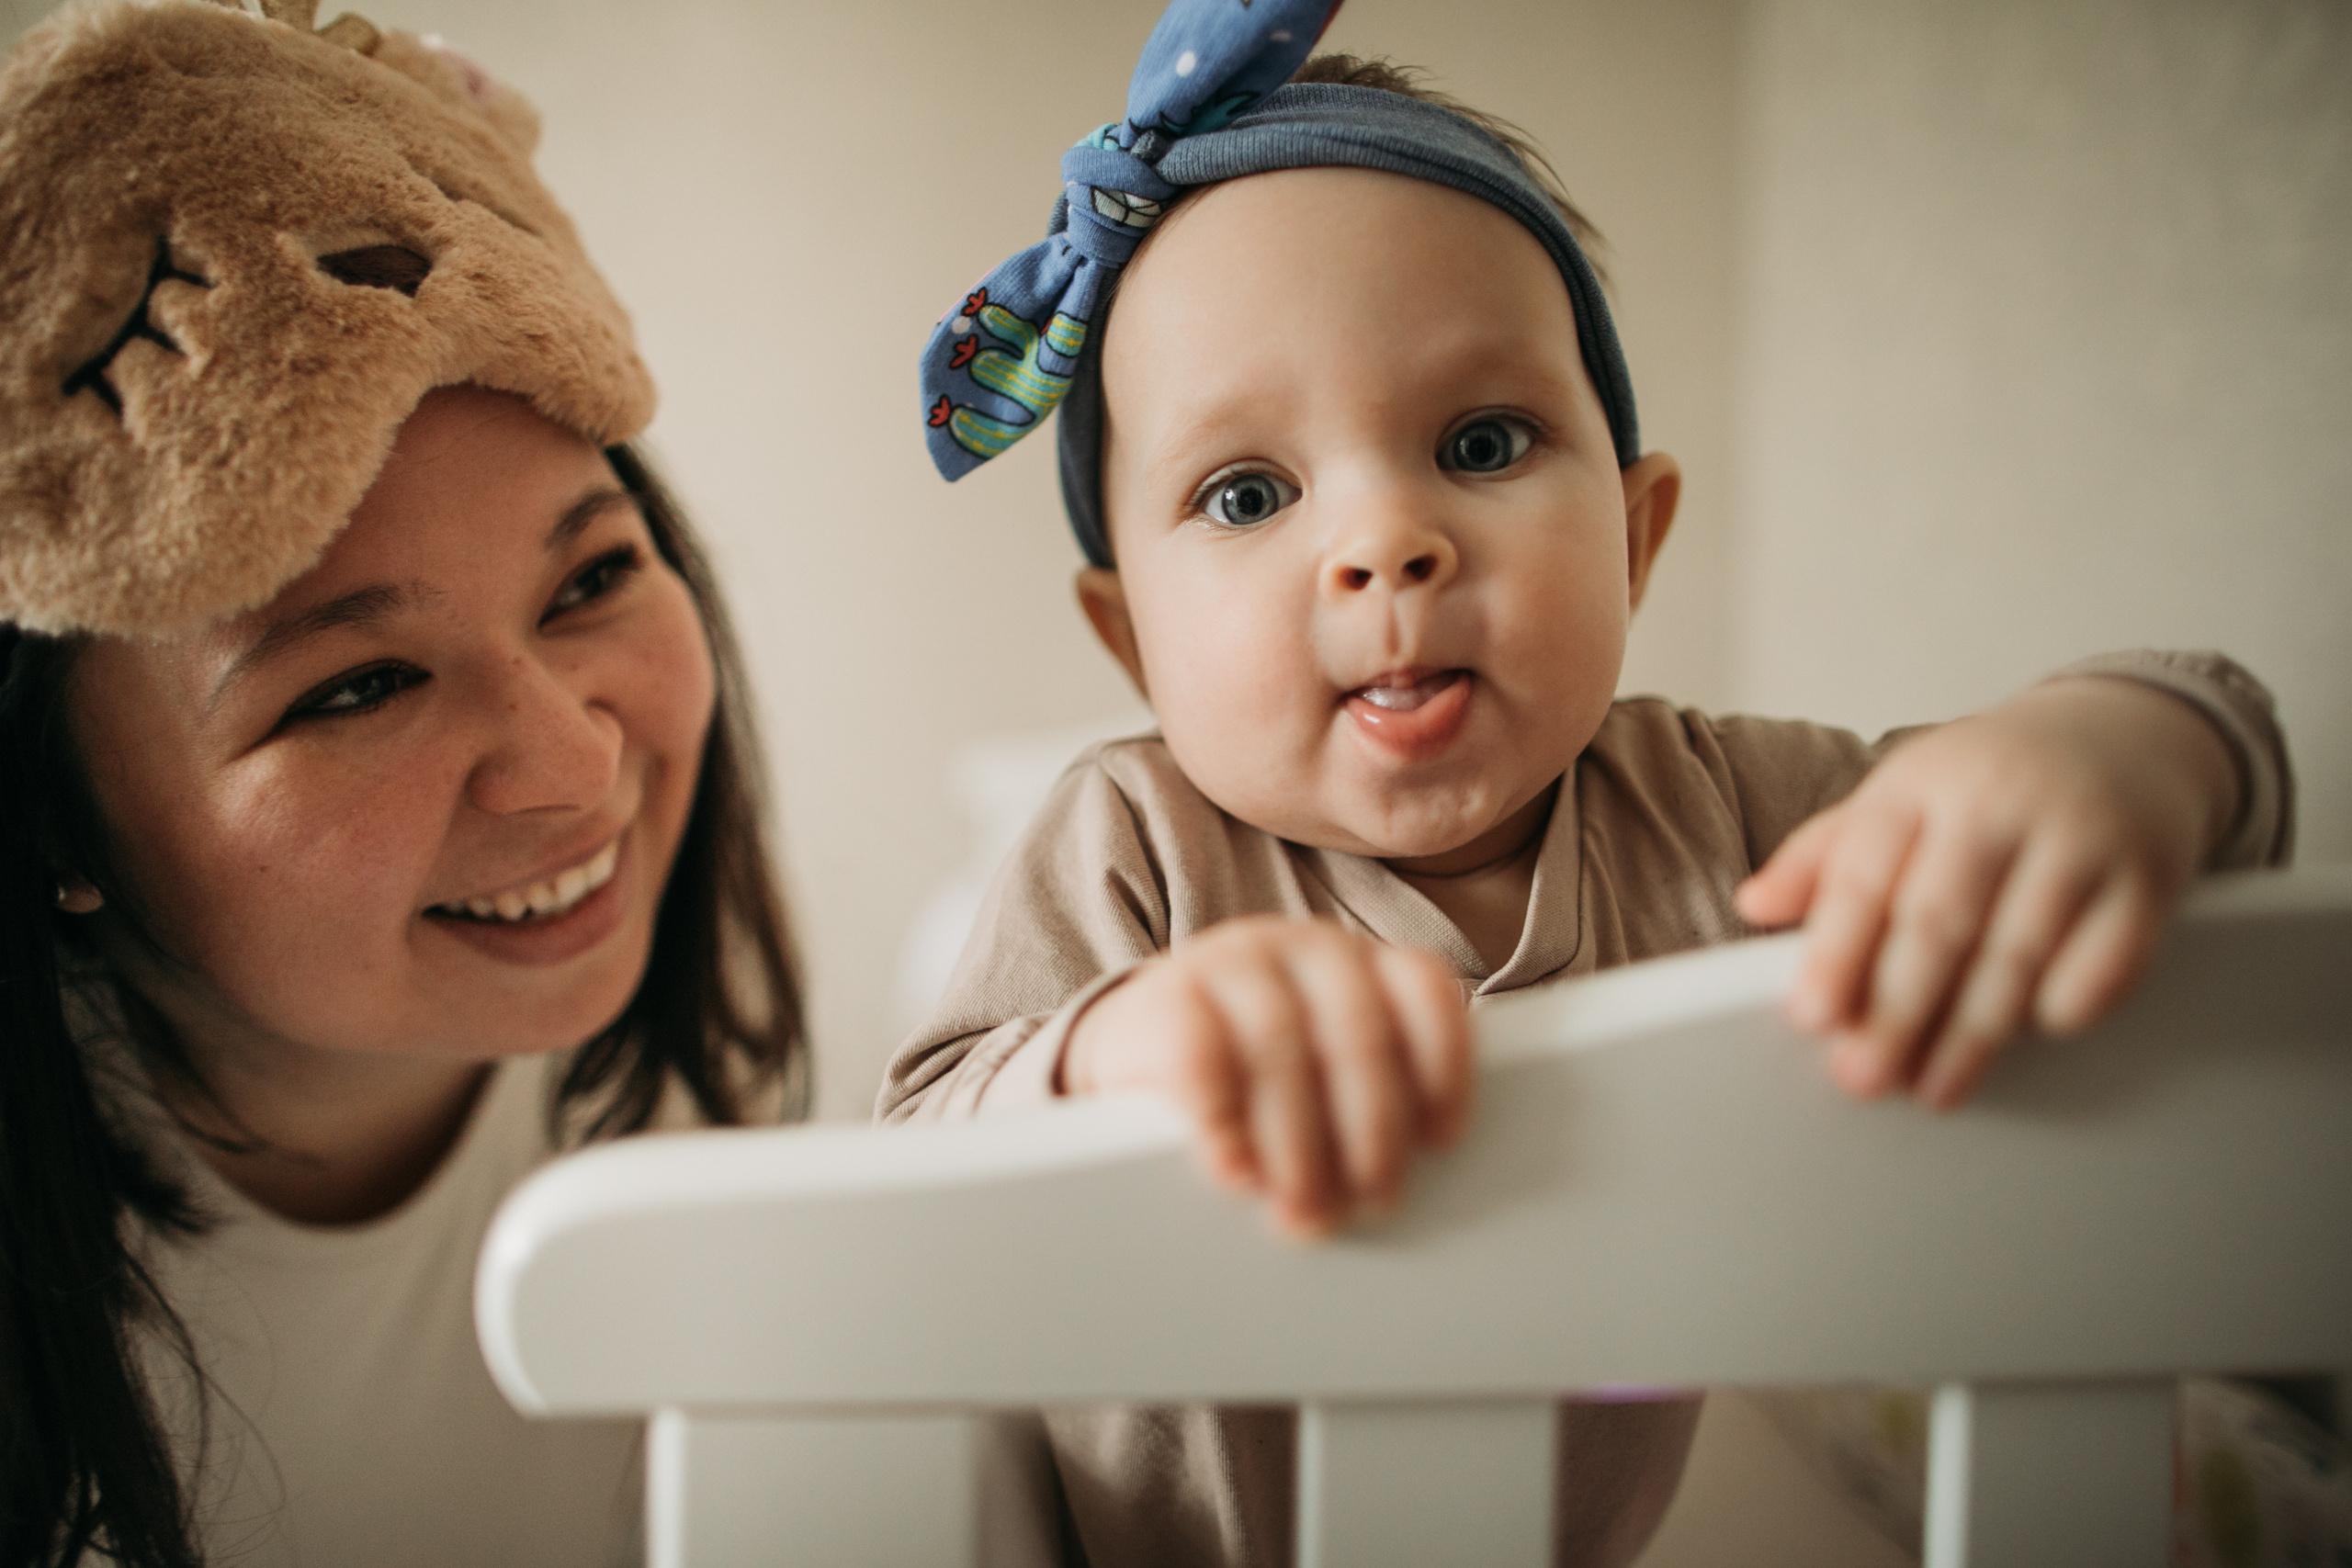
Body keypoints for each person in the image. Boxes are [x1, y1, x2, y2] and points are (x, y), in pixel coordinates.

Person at [884, 2, 2294, 1564]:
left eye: (1481, 441)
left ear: (1634, 537)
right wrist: (1112, 1051)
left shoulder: (1716, 810)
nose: (1383, 541)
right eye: (1248, 491)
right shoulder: (1128, 843)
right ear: (1131, 640)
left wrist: (2110, 744)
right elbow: (913, 1178)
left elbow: (2084, 800)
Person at [0, 4, 803, 1563]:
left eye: (586, 585)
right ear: (49, 821)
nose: (577, 766)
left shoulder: (697, 1103)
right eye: (359, 686)